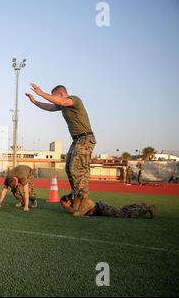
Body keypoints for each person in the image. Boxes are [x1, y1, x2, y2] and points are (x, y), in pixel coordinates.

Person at [26, 84, 96, 216]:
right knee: (69, 169)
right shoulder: (63, 106)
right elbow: (50, 107)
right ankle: (77, 199)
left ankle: (86, 201)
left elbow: (62, 101)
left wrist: (41, 93)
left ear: (61, 94)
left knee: (77, 169)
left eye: (54, 96)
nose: (52, 99)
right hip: (76, 140)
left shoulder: (73, 100)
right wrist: (35, 102)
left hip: (86, 138)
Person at [60, 194, 156, 219]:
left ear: (68, 201)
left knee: (122, 214)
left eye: (62, 203)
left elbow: (91, 206)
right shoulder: (75, 205)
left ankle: (146, 209)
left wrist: (90, 214)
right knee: (121, 210)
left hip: (101, 209)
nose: (62, 205)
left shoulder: (77, 203)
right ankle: (139, 206)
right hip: (102, 207)